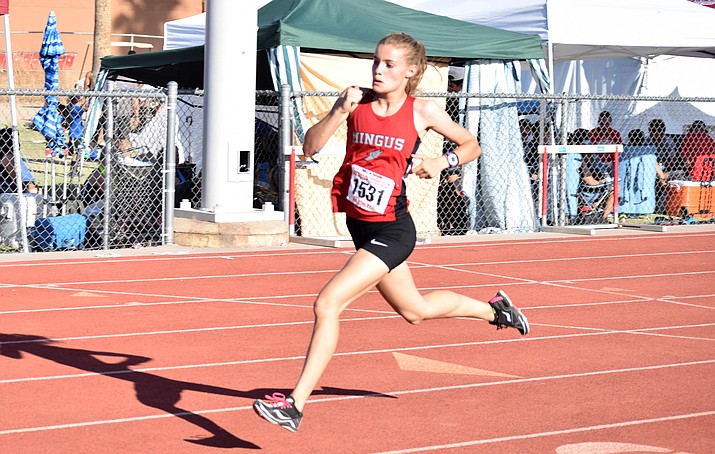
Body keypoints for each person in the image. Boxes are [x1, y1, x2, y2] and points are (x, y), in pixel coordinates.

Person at [252, 32, 529, 433]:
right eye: (376, 62)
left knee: (327, 303)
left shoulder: (424, 112)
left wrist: (442, 160)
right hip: (361, 227)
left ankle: (294, 404)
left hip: (394, 230)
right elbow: (310, 146)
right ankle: (495, 310)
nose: (379, 70)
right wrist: (337, 112)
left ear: (411, 71)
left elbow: (471, 145)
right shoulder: (356, 101)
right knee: (414, 311)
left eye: (389, 64)